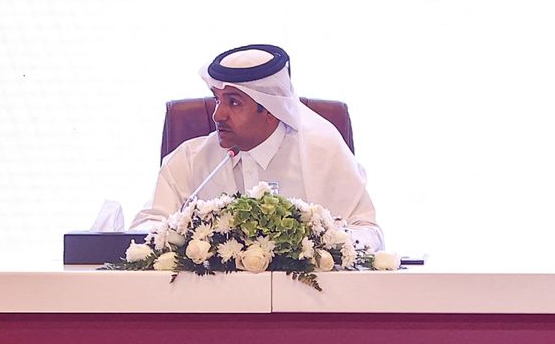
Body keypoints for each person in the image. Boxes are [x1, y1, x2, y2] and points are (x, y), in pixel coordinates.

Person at [133, 43, 385, 251]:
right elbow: (143, 230)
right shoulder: (188, 159)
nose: (217, 115)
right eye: (217, 100)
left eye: (233, 102)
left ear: (271, 110)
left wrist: (318, 245)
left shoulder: (323, 154)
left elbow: (368, 232)